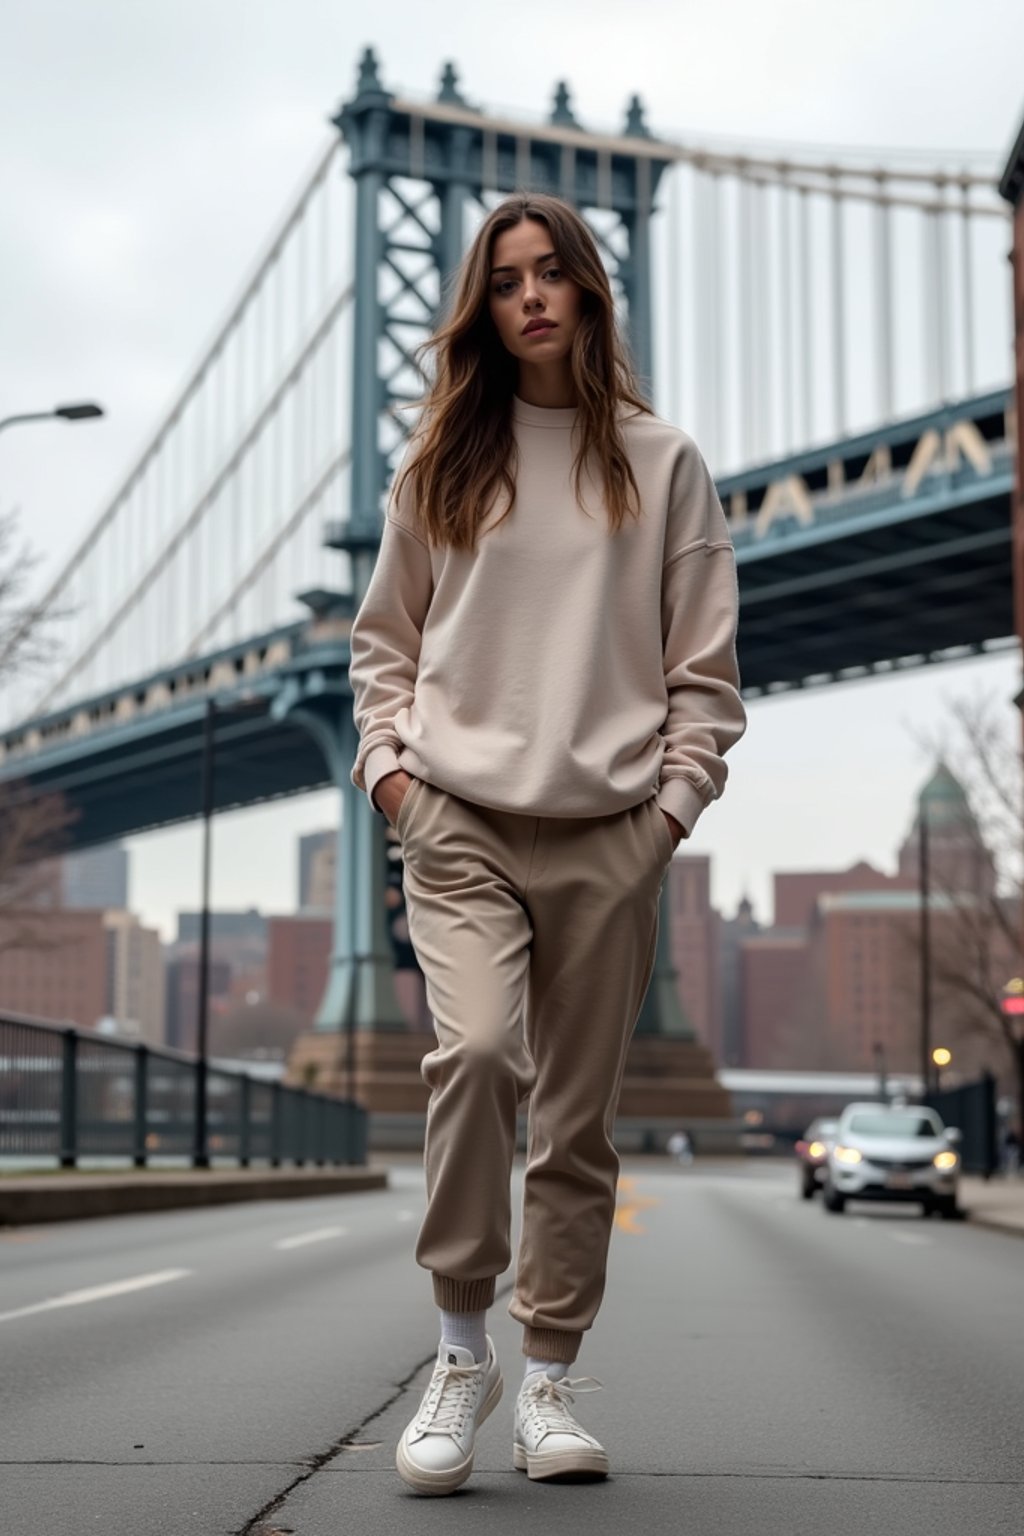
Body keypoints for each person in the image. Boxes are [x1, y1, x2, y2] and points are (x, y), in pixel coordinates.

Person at [348, 190, 747, 1496]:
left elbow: (705, 673)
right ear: (485, 304)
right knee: (473, 1055)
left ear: (587, 292)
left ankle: (552, 1380)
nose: (529, 296)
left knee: (575, 1123)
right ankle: (460, 1354)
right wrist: (395, 777)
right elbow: (384, 648)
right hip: (456, 821)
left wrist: (668, 816)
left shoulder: (662, 461)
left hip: (609, 836)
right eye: (505, 278)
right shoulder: (437, 470)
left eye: (551, 274)